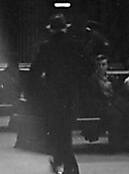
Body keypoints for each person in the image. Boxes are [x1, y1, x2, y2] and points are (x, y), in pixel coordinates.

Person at [29, 13, 93, 174]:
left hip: (53, 94)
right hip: (70, 93)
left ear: (51, 29)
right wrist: (77, 79)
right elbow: (90, 66)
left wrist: (36, 89)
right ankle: (61, 161)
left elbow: (35, 70)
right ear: (65, 28)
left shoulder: (46, 46)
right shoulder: (76, 46)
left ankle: (69, 165)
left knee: (57, 129)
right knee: (65, 129)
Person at [81, 54, 127, 151]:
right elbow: (91, 97)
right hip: (101, 105)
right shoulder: (92, 80)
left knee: (128, 112)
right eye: (99, 65)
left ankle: (126, 141)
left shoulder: (112, 79)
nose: (101, 67)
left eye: (103, 64)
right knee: (116, 116)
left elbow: (118, 92)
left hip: (114, 103)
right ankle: (115, 144)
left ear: (107, 66)